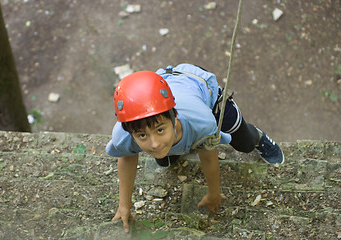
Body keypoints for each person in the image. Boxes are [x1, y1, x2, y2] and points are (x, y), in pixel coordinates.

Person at [106, 63, 284, 233]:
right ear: (130, 132)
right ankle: (173, 139)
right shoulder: (124, 134)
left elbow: (207, 156)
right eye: (142, 136)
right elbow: (126, 158)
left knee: (244, 144)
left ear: (174, 116)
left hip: (200, 85)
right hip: (163, 90)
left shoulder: (202, 123)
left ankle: (258, 136)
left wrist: (214, 193)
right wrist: (124, 205)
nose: (154, 143)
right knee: (165, 159)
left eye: (160, 130)